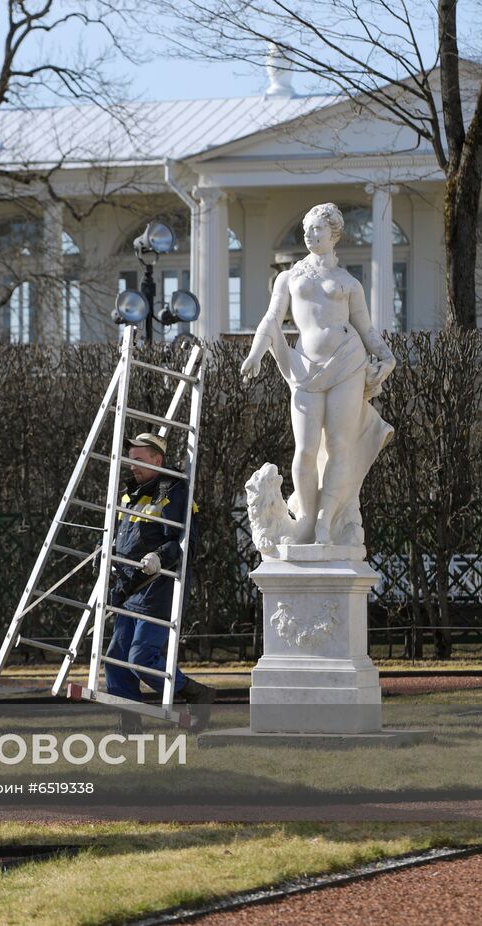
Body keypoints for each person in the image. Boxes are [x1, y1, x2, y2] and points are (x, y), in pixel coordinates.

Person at [240, 202, 395, 546]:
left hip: (348, 362)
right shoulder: (289, 276)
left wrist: (386, 356)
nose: (310, 235)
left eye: (317, 229)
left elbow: (366, 330)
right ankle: (307, 520)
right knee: (306, 450)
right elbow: (271, 318)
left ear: (333, 233)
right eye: (307, 229)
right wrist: (256, 353)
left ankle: (324, 524)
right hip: (304, 368)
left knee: (339, 445)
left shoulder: (348, 282)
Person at [105, 432, 214, 733]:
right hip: (128, 590)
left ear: (158, 460)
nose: (131, 466)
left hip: (158, 590)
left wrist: (159, 557)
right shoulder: (132, 494)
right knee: (115, 659)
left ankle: (194, 692)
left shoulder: (174, 492)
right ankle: (130, 724)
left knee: (141, 657)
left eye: (138, 460)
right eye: (129, 459)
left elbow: (184, 544)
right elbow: (124, 539)